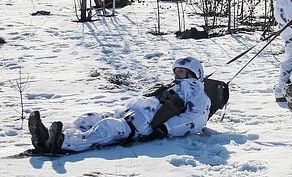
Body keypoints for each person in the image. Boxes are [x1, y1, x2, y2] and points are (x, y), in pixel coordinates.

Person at [28, 57, 212, 154]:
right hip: (127, 111)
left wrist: (165, 128)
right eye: (177, 71)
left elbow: (195, 118)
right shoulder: (172, 85)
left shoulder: (196, 92)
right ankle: (51, 135)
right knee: (89, 119)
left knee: (106, 128)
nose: (178, 74)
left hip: (143, 124)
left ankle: (63, 143)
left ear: (194, 73)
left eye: (183, 71)